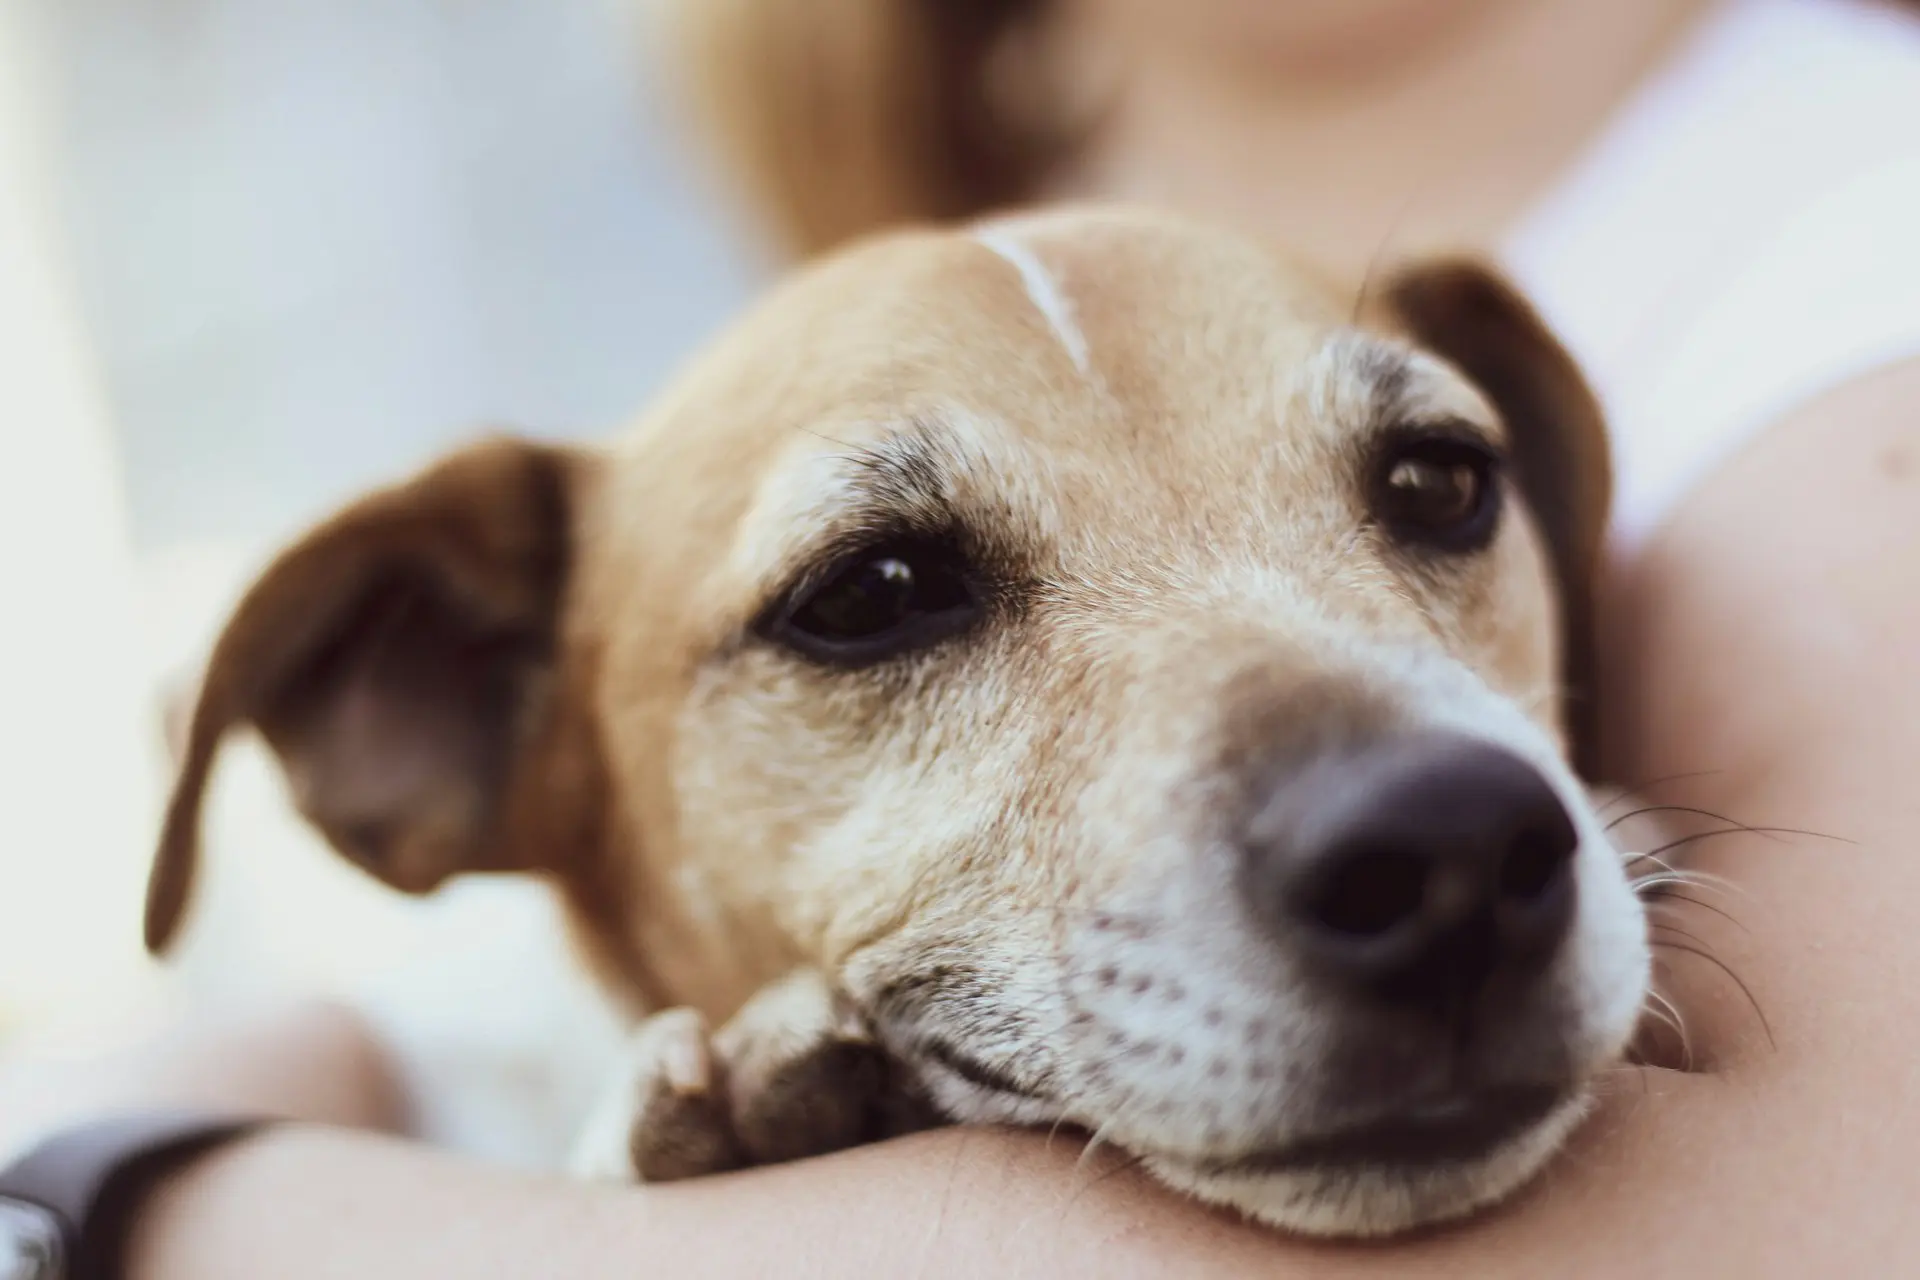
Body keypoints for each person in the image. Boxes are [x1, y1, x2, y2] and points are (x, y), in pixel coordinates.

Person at [6, 0, 1920, 1274]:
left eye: (1423, 494)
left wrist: (161, 1205)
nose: (1423, 813)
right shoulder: (864, 284)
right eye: (888, 595)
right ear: (467, 726)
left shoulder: (1848, 217)